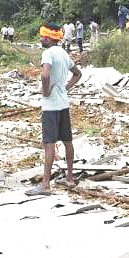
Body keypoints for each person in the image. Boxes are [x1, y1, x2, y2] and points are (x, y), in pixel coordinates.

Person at [29, 24, 81, 196]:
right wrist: (66, 88)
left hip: (51, 106)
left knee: (49, 145)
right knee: (67, 141)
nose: (41, 39)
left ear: (50, 38)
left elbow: (45, 75)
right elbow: (77, 73)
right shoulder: (64, 53)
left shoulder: (48, 53)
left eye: (43, 37)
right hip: (63, 104)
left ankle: (45, 185)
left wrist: (45, 92)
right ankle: (70, 179)